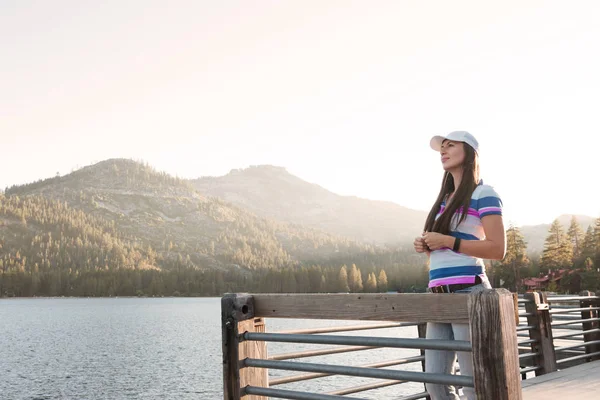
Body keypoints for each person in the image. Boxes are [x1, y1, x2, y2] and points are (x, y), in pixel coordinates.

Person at [413, 130, 506, 400]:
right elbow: (443, 255)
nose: (443, 151)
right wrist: (428, 247)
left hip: (469, 293)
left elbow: (498, 249)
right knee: (436, 384)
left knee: (472, 384)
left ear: (469, 153)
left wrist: (449, 241)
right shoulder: (443, 201)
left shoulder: (484, 193)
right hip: (438, 298)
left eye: (450, 146)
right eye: (442, 147)